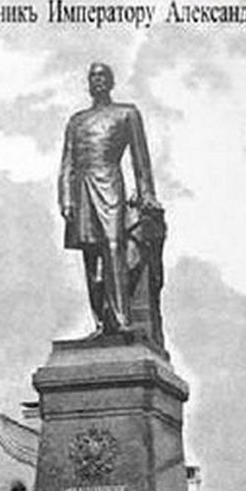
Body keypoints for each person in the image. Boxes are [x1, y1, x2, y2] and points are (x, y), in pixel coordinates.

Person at [60, 62, 159, 339]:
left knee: (114, 247)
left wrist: (146, 193)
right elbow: (67, 163)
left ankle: (121, 318)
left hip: (110, 185)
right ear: (88, 83)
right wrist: (66, 199)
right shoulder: (76, 121)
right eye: (93, 76)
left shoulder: (126, 114)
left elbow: (141, 159)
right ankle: (101, 324)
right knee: (91, 257)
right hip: (82, 189)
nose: (97, 80)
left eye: (102, 76)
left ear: (111, 82)